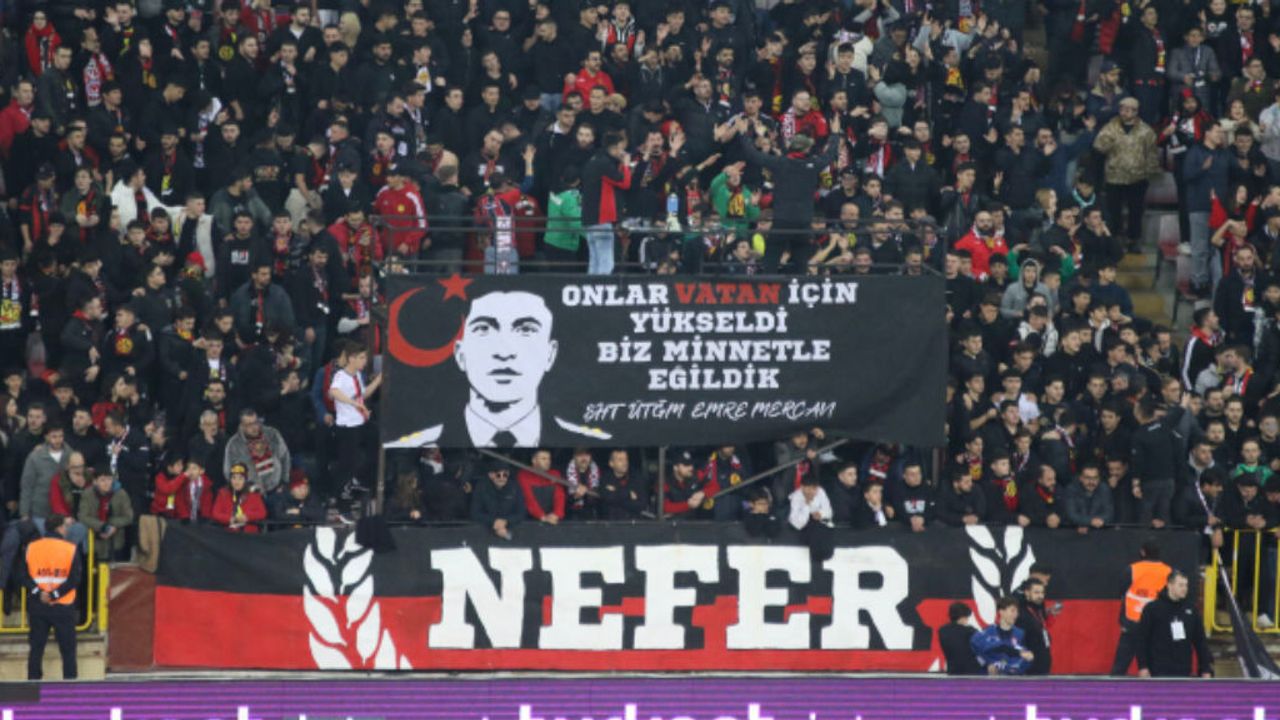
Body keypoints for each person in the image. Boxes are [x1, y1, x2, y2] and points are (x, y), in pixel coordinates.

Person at [384, 290, 604, 448]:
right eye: (484, 329)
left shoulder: (584, 441)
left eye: (526, 330)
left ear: (550, 354)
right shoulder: (420, 444)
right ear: (460, 353)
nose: (504, 352)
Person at [25, 513, 81, 680]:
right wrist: (54, 594)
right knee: (68, 651)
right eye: (65, 526)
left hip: (38, 605)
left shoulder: (31, 547)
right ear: (60, 528)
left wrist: (38, 592)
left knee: (36, 649)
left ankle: (32, 685)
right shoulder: (70, 549)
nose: (66, 530)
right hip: (63, 606)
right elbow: (75, 579)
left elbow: (21, 575)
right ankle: (70, 688)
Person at [1134, 571, 1213, 678]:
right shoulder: (1152, 609)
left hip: (1183, 671)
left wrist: (1205, 669)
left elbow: (1200, 642)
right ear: (1169, 585)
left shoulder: (1191, 610)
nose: (1184, 588)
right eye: (1180, 585)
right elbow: (1142, 640)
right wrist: (1143, 666)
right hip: (1157, 671)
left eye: (1186, 585)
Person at [1110, 540, 1172, 675]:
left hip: (1132, 622)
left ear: (1143, 552)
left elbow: (1122, 593)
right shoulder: (1168, 571)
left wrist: (1123, 621)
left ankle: (1114, 687)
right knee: (1156, 665)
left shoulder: (1132, 569)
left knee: (1120, 666)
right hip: (1157, 625)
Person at [328, 342, 381, 500]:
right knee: (347, 463)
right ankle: (340, 497)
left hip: (360, 422)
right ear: (351, 358)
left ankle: (359, 480)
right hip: (348, 426)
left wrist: (379, 380)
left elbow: (362, 394)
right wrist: (354, 404)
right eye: (361, 357)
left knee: (376, 443)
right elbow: (334, 392)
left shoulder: (357, 375)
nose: (365, 361)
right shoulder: (341, 375)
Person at [970, 596, 1035, 675]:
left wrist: (1026, 660)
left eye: (1017, 611)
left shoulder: (1020, 634)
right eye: (1012, 611)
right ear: (1001, 612)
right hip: (990, 680)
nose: (1016, 614)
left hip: (1013, 679)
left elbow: (1025, 659)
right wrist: (987, 665)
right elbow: (977, 653)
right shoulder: (987, 633)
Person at [471, 461, 523, 539]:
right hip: (485, 532)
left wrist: (506, 521)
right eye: (498, 475)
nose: (502, 478)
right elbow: (475, 512)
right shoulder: (481, 488)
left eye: (505, 475)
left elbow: (521, 512)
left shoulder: (515, 487)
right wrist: (493, 522)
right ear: (490, 475)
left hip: (510, 530)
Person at [211, 463, 268, 533]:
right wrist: (230, 519)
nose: (236, 482)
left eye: (240, 478)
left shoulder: (253, 494)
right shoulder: (223, 493)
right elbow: (215, 513)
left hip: (249, 534)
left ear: (245, 480)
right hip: (228, 533)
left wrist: (247, 517)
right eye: (234, 478)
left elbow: (262, 513)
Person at [938, 602, 981, 675]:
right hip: (972, 673)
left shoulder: (942, 631)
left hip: (952, 671)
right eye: (967, 617)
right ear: (963, 617)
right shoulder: (970, 631)